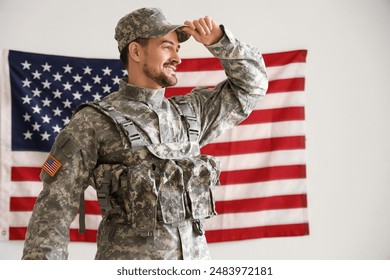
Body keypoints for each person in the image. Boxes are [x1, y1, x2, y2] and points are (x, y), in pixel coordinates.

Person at [21, 7, 268, 260]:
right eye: (166, 46)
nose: (177, 58)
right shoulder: (93, 121)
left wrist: (220, 42)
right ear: (136, 51)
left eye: (177, 48)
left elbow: (253, 87)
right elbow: (54, 209)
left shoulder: (192, 114)